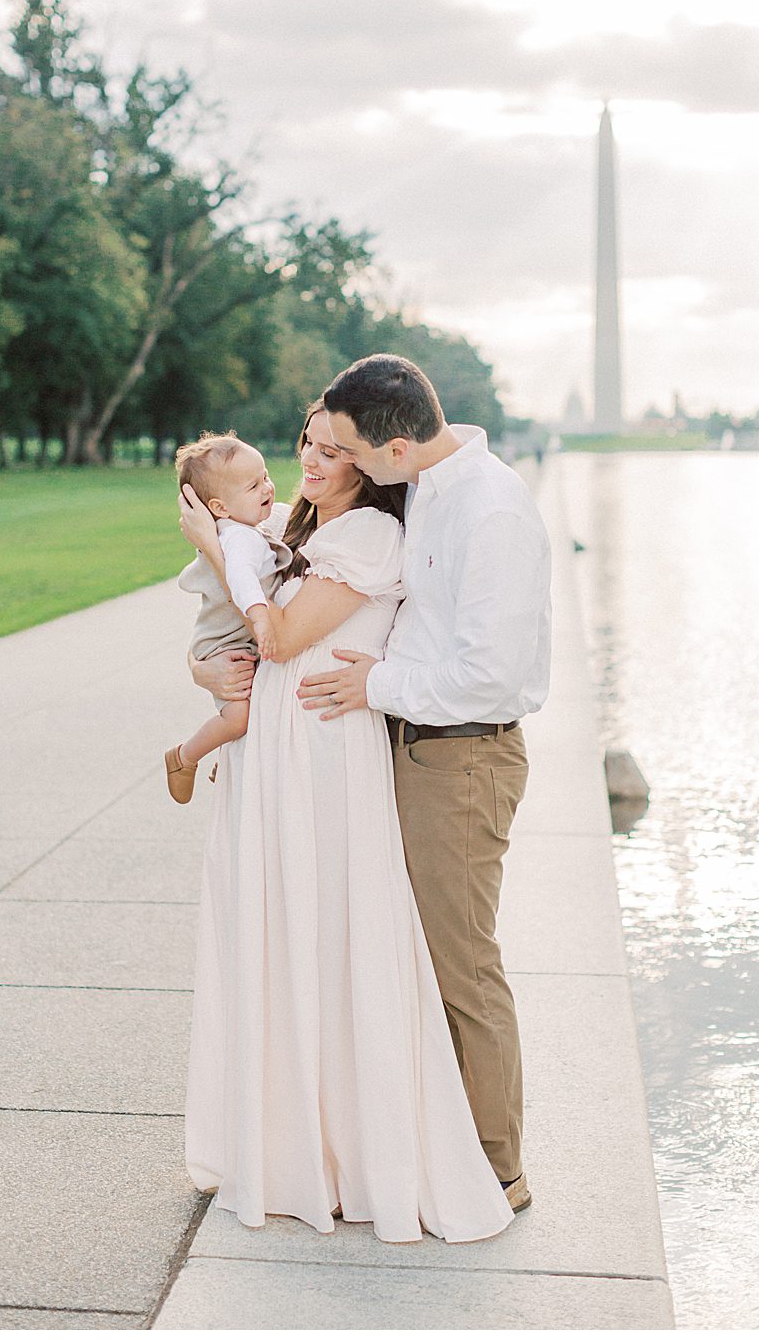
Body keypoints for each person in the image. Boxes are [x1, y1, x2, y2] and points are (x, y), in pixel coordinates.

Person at [178, 400, 515, 1244]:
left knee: (339, 939)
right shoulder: (295, 531)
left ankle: (373, 1152)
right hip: (281, 762)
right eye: (305, 445)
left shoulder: (368, 534)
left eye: (333, 450)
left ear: (369, 462)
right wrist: (207, 671)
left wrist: (214, 548)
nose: (311, 460)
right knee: (284, 941)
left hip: (327, 764)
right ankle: (299, 1149)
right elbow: (231, 639)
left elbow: (284, 638)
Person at [298, 354, 552, 1215]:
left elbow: (487, 673)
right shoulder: (428, 494)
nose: (351, 468)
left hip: (463, 758)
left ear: (399, 445)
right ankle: (427, 1148)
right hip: (409, 747)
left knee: (460, 965)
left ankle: (496, 1171)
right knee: (408, 959)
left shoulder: (491, 510)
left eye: (355, 453)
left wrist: (374, 685)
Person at [165, 433, 289, 804]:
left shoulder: (250, 527)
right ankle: (184, 757)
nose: (267, 487)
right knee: (239, 716)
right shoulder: (238, 540)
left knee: (262, 700)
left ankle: (231, 756)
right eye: (253, 485)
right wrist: (259, 615)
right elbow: (238, 578)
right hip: (224, 642)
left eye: (265, 476)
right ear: (219, 507)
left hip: (234, 636)